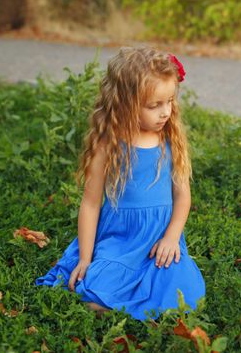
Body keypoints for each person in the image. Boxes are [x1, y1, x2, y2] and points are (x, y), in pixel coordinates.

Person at [35, 46, 206, 321]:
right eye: (154, 105)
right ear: (125, 104)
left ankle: (129, 298)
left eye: (170, 101)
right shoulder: (110, 145)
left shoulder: (170, 140)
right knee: (97, 281)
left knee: (183, 288)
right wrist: (85, 259)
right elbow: (91, 204)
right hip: (121, 237)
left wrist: (172, 237)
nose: (166, 112)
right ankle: (111, 291)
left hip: (158, 239)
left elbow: (182, 197)